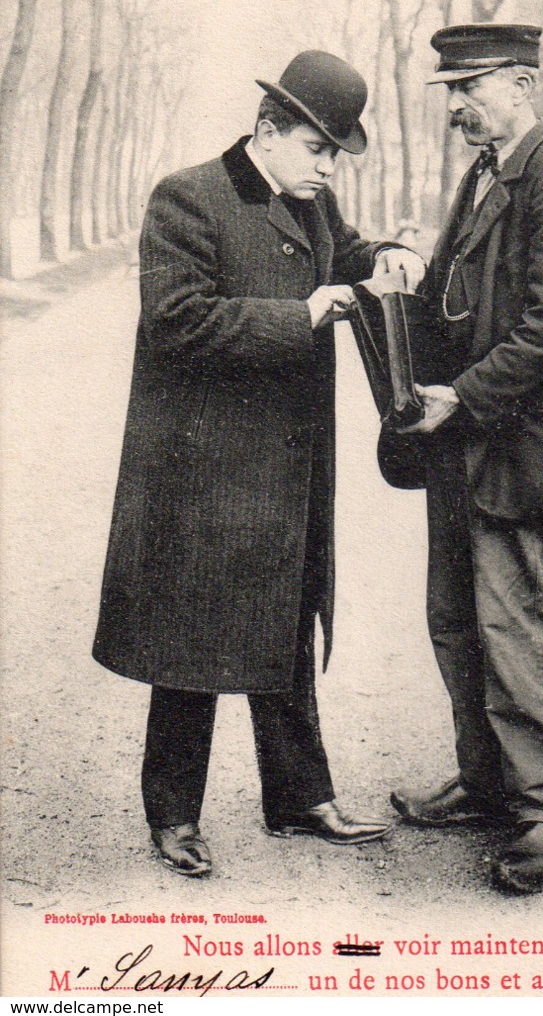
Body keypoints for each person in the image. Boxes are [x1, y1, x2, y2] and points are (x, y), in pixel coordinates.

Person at [93, 49, 426, 877]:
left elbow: (349, 254)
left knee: (286, 619)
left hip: (286, 462)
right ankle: (172, 815)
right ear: (268, 131)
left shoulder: (309, 200)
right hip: (202, 468)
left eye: (335, 155)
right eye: (318, 149)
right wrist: (302, 314)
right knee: (191, 640)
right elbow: (176, 322)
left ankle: (300, 798)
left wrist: (388, 253)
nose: (326, 168)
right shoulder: (188, 197)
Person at [390, 24, 543, 894]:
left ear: (522, 83)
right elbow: (465, 297)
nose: (455, 105)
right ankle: (486, 784)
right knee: (455, 617)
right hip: (467, 436)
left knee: (517, 625)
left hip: (518, 443)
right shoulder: (488, 170)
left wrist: (467, 394)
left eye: (470, 88)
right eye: (450, 90)